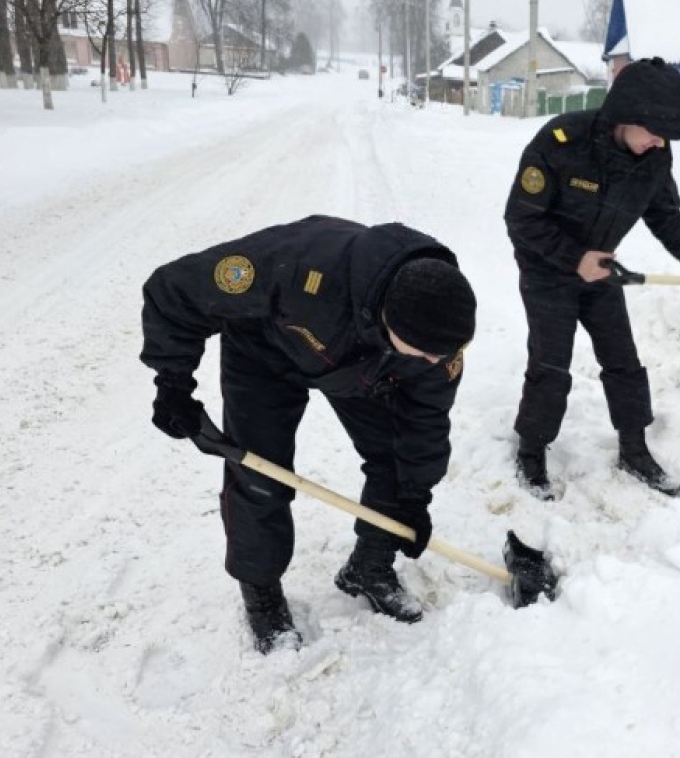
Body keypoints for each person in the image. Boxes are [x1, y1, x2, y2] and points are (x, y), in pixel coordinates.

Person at [140, 215, 477, 654]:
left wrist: (414, 497)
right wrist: (173, 383)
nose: (436, 363)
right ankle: (260, 589)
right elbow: (173, 291)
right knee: (262, 478)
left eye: (443, 354)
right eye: (426, 353)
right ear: (390, 321)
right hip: (263, 355)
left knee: (396, 460)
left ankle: (369, 565)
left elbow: (425, 422)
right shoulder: (293, 264)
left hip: (359, 370)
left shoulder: (435, 347)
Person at [504, 56, 680, 500]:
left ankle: (634, 448)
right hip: (546, 269)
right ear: (626, 117)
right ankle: (531, 450)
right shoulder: (561, 142)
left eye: (666, 136)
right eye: (653, 132)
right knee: (551, 366)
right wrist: (574, 259)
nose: (659, 143)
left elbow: (666, 217)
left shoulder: (654, 158)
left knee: (623, 360)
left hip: (600, 268)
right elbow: (521, 219)